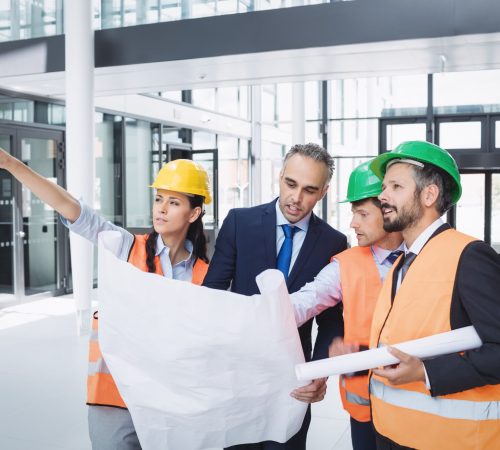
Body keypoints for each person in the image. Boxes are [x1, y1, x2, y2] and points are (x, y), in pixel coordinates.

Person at [0, 147, 212, 450]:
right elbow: (72, 208)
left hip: (171, 400)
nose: (161, 209)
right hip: (113, 398)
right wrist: (10, 164)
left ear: (194, 213)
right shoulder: (125, 247)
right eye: (158, 199)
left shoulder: (206, 274)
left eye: (174, 202)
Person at [203, 143, 347, 450]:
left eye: (310, 190)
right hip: (237, 375)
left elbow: (332, 322)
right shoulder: (240, 222)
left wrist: (318, 372)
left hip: (292, 380)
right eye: (290, 184)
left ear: (323, 192)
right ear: (280, 176)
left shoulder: (334, 242)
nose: (296, 198)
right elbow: (212, 295)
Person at [366, 140, 500, 450]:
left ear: (429, 195)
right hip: (391, 432)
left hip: (447, 440)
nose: (382, 196)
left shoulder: (469, 256)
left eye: (395, 187)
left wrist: (425, 372)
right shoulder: (403, 261)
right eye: (384, 187)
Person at [290, 159, 403, 450]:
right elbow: (306, 301)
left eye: (362, 214)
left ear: (389, 210)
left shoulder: (426, 258)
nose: (353, 223)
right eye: (353, 213)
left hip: (417, 405)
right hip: (364, 407)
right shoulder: (346, 264)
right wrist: (255, 313)